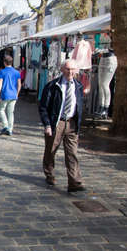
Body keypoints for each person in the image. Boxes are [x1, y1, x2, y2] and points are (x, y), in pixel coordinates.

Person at [39, 59, 85, 193]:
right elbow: (43, 107)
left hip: (72, 123)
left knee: (72, 154)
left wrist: (78, 124)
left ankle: (74, 182)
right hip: (56, 123)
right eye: (67, 69)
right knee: (50, 151)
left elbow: (79, 106)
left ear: (76, 70)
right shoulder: (52, 86)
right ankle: (49, 173)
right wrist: (47, 124)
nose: (70, 72)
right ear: (62, 70)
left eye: (72, 69)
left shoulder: (78, 86)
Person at [0, 55, 21, 136]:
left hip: (4, 94)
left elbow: (0, 83)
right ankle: (10, 130)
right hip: (13, 94)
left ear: (4, 63)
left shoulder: (2, 72)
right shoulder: (17, 72)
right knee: (11, 112)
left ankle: (5, 126)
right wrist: (17, 93)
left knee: (2, 110)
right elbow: (19, 85)